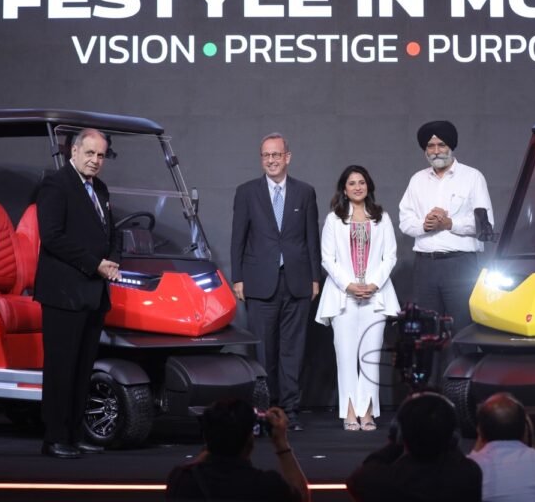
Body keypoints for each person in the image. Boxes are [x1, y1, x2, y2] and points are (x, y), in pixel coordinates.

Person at [33, 128, 121, 459]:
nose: (95, 160)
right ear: (74, 151)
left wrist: (113, 260)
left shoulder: (100, 188)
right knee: (61, 368)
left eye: (101, 155)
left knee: (83, 369)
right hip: (63, 294)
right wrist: (94, 264)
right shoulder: (56, 185)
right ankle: (54, 437)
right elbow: (52, 236)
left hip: (94, 293)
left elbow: (111, 232)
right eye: (90, 153)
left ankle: (73, 434)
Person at [231, 133, 320, 432]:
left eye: (276, 155)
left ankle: (290, 412)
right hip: (259, 283)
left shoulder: (305, 192)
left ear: (287, 157)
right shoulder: (246, 192)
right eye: (266, 155)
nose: (271, 160)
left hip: (297, 281)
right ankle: (264, 412)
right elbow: (238, 238)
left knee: (293, 352)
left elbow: (311, 238)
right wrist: (238, 278)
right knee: (264, 353)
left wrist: (315, 278)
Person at [315, 165, 400, 431]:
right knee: (346, 357)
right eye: (351, 183)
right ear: (344, 189)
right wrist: (349, 285)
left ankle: (368, 412)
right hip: (343, 298)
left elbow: (390, 256)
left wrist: (373, 284)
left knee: (370, 358)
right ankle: (350, 411)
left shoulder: (382, 217)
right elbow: (327, 259)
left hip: (376, 297)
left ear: (368, 186)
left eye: (361, 182)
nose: (357, 187)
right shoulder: (334, 219)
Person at [398, 120, 493, 337]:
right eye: (430, 146)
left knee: (464, 329)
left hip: (459, 265)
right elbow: (405, 220)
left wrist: (449, 223)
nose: (436, 151)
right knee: (425, 333)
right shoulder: (417, 180)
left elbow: (485, 225)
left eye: (441, 145)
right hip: (425, 267)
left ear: (451, 146)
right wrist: (424, 225)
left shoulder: (472, 177)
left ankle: (463, 362)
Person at [347, 391, 482, 502]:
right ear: (453, 435)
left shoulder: (380, 481)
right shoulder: (468, 475)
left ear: (400, 434)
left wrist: (394, 444)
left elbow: (363, 473)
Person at [165, 398, 310, 502]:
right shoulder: (266, 485)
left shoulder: (182, 479)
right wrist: (281, 444)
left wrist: (214, 438)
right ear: (250, 440)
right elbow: (302, 497)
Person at [469, 393, 535, 502]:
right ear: (526, 429)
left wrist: (478, 442)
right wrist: (532, 437)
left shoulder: (471, 468)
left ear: (480, 431)